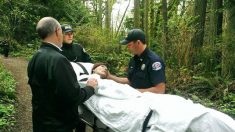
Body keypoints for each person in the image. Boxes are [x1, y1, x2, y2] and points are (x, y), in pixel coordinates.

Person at [71, 62, 235, 132]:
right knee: (189, 117)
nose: (104, 68)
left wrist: (110, 77)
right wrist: (97, 77)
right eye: (100, 67)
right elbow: (94, 92)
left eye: (105, 68)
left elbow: (125, 86)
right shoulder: (92, 80)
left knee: (189, 107)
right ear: (94, 70)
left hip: (146, 99)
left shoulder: (111, 80)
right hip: (136, 106)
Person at [27, 17, 98, 132]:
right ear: (57, 31)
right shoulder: (59, 60)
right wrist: (90, 87)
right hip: (58, 126)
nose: (69, 35)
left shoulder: (35, 57)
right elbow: (73, 97)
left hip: (40, 122)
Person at [105, 29, 166, 94]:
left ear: (138, 43)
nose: (128, 48)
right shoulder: (134, 60)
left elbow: (160, 90)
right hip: (134, 99)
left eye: (129, 45)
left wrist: (133, 92)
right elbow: (130, 81)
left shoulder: (154, 61)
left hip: (150, 102)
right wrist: (110, 76)